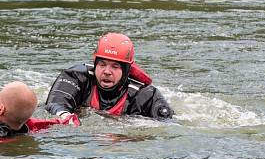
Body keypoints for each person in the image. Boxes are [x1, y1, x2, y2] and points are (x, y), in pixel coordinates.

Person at [44, 33, 174, 121]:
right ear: (95, 64)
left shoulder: (146, 95)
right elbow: (54, 104)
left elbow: (166, 125)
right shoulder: (76, 77)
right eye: (102, 64)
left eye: (115, 67)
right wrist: (65, 116)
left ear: (126, 70)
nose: (107, 71)